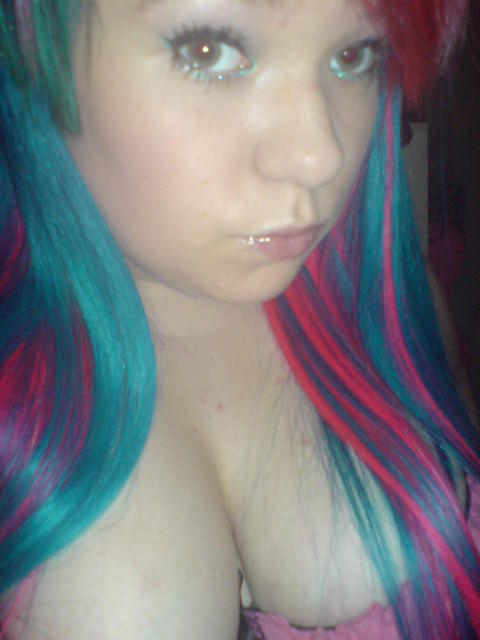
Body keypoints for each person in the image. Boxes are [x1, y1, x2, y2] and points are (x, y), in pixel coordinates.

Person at [0, 0, 479, 638]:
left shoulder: (385, 299)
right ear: (34, 45)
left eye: (354, 55)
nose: (320, 155)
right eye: (208, 51)